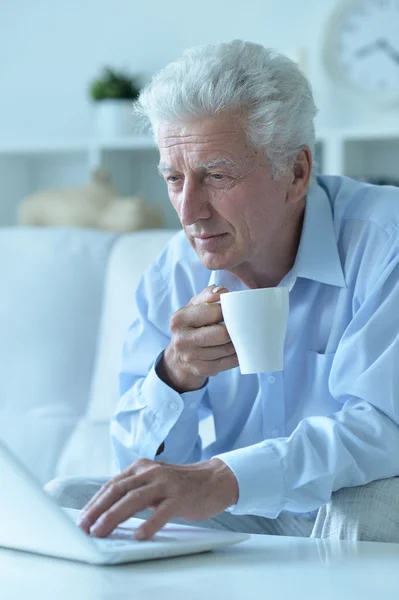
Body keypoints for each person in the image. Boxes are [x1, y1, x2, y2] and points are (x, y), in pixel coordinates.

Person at [46, 39, 399, 544]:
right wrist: (175, 375)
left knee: (369, 503)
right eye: (173, 178)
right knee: (67, 502)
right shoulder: (174, 270)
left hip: (354, 501)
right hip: (248, 509)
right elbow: (138, 466)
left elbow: (385, 431)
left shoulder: (386, 240)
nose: (189, 212)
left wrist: (222, 479)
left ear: (295, 172)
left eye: (216, 175)